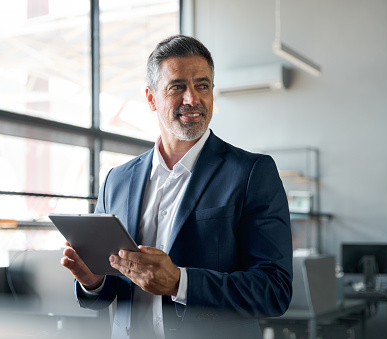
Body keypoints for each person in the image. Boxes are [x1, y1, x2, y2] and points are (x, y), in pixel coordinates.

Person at [61, 35, 293, 339]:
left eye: (203, 86)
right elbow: (110, 292)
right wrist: (94, 282)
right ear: (151, 98)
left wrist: (180, 283)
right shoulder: (117, 180)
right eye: (177, 87)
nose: (192, 99)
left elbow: (274, 290)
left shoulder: (251, 173)